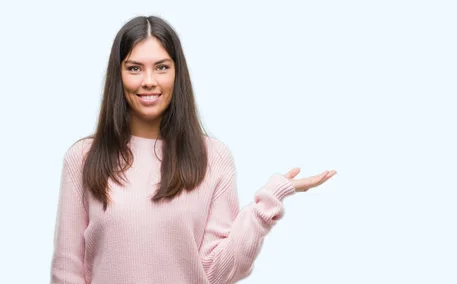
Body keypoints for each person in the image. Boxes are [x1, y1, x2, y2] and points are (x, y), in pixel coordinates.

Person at [50, 15, 336, 284]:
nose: (148, 80)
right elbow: (67, 271)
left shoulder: (213, 157)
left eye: (161, 67)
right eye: (134, 68)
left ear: (177, 73)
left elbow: (217, 271)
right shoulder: (83, 159)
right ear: (119, 75)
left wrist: (268, 201)